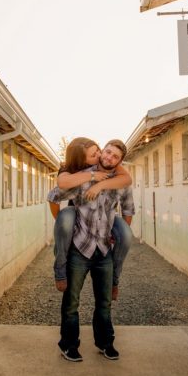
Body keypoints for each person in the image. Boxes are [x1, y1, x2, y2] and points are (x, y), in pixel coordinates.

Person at [46, 140, 135, 362]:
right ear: (102, 151)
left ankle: (106, 343)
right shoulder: (83, 176)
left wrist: (120, 231)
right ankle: (69, 345)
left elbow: (128, 209)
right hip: (80, 247)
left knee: (103, 303)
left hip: (104, 249)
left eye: (115, 157)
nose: (109, 158)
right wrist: (61, 220)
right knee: (71, 302)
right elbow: (53, 196)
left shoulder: (121, 182)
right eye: (107, 152)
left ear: (120, 162)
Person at [49, 137, 133, 301]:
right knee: (65, 219)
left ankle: (114, 281)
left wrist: (100, 184)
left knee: (126, 233)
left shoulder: (115, 169)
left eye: (99, 150)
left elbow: (127, 181)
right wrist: (58, 220)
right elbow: (58, 188)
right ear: (83, 161)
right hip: (77, 213)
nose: (102, 155)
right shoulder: (73, 170)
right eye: (95, 154)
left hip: (105, 223)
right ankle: (60, 267)